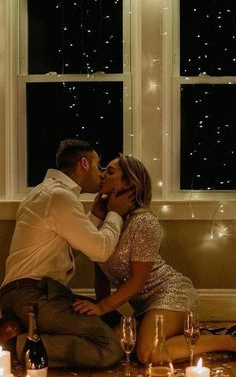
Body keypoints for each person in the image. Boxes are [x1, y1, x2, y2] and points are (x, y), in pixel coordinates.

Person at [73, 154, 236, 363]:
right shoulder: (104, 220)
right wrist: (101, 313)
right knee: (115, 345)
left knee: (148, 353)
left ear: (129, 183)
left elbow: (137, 281)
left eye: (110, 172)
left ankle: (228, 340)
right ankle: (192, 336)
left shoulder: (144, 222)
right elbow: (101, 276)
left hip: (171, 294)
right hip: (144, 308)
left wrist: (102, 306)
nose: (103, 175)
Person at [0, 139, 135, 368]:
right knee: (110, 347)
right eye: (98, 166)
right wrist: (116, 214)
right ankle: (20, 345)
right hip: (33, 296)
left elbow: (70, 247)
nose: (101, 174)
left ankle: (24, 327)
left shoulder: (44, 193)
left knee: (117, 322)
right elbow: (100, 251)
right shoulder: (59, 197)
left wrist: (96, 215)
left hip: (29, 293)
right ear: (84, 163)